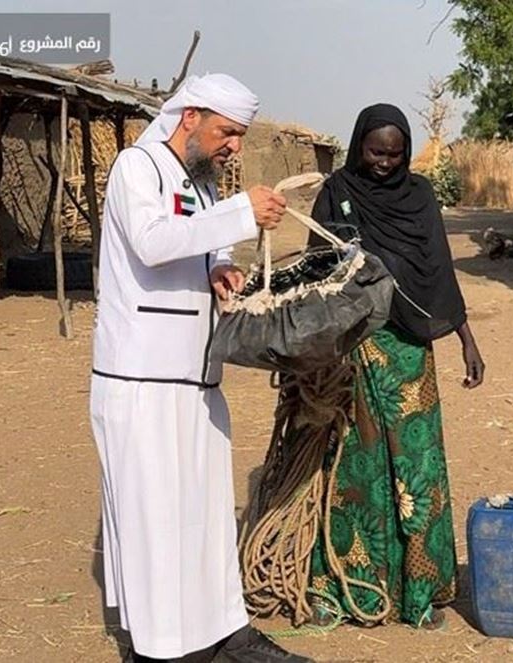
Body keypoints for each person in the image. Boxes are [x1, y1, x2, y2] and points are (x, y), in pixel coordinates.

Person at [90, 73, 311, 663]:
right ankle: (164, 647)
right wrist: (242, 215)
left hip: (196, 376)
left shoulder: (200, 183)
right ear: (189, 118)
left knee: (206, 513)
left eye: (239, 136)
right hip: (142, 381)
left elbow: (201, 242)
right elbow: (154, 242)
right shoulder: (137, 169)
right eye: (227, 132)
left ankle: (223, 629)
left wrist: (220, 266)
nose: (233, 146)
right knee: (156, 518)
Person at [306, 103, 485, 629]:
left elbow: (439, 273)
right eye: (375, 151)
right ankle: (347, 588)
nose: (384, 162)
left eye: (394, 153)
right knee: (354, 470)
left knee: (416, 467)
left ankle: (421, 593)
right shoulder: (336, 193)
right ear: (358, 144)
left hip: (410, 352)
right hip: (353, 351)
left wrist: (465, 340)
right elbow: (316, 273)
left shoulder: (420, 196)